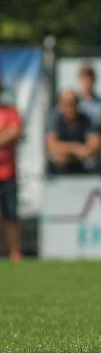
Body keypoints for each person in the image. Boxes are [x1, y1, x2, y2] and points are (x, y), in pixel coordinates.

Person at [46, 89, 101, 174]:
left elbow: (95, 144)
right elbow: (52, 145)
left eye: (73, 103)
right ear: (60, 104)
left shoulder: (85, 119)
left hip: (81, 167)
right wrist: (75, 148)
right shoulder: (55, 119)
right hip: (59, 170)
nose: (70, 107)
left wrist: (67, 152)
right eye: (67, 104)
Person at [0, 78, 23, 261]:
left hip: (8, 173)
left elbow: (14, 132)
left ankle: (15, 254)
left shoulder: (10, 111)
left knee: (11, 215)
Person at [76, 62, 101, 126]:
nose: (87, 80)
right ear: (79, 79)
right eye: (84, 77)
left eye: (90, 76)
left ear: (95, 79)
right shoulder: (73, 102)